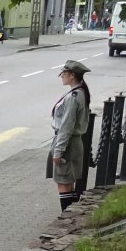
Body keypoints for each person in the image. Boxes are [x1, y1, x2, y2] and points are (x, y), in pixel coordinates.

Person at [50, 59, 93, 210]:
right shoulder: (79, 92)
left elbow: (66, 126)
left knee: (64, 184)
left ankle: (66, 217)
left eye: (64, 73)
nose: (62, 76)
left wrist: (59, 150)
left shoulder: (73, 96)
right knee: (68, 183)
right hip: (73, 143)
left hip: (68, 144)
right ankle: (71, 215)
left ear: (72, 75)